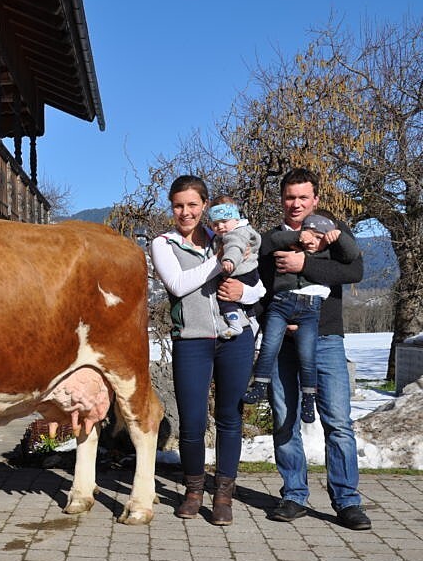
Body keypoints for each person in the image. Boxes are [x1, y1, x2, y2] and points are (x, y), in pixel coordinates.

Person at [258, 168, 371, 530]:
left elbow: (354, 272)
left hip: (326, 338)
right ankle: (294, 495)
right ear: (281, 199)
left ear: (316, 200)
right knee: (284, 418)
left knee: (337, 421)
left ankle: (347, 501)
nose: (296, 204)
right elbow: (260, 289)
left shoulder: (333, 233)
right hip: (282, 341)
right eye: (290, 197)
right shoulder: (271, 240)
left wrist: (305, 263)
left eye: (303, 197)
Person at [150, 176, 265, 525]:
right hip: (192, 341)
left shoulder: (226, 234)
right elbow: (178, 285)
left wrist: (241, 294)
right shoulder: (163, 243)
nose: (185, 212)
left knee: (230, 417)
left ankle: (223, 496)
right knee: (193, 421)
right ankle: (193, 491)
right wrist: (221, 263)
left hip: (236, 338)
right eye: (178, 205)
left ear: (204, 206)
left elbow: (258, 286)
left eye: (192, 205)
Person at [243, 212, 360, 424]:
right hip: (280, 305)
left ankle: (309, 397)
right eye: (310, 234)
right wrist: (299, 236)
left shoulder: (327, 252)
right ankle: (259, 385)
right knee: (268, 346)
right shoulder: (286, 242)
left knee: (308, 358)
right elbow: (274, 241)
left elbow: (353, 262)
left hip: (310, 312)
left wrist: (338, 236)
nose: (313, 240)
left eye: (319, 237)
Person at [207, 195, 261, 339]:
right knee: (244, 303)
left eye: (224, 221)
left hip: (241, 272)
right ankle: (252, 320)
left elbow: (234, 246)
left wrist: (229, 260)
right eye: (215, 224)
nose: (220, 227)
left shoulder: (236, 233)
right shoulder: (239, 231)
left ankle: (234, 324)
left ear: (236, 219)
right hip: (249, 273)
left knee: (224, 297)